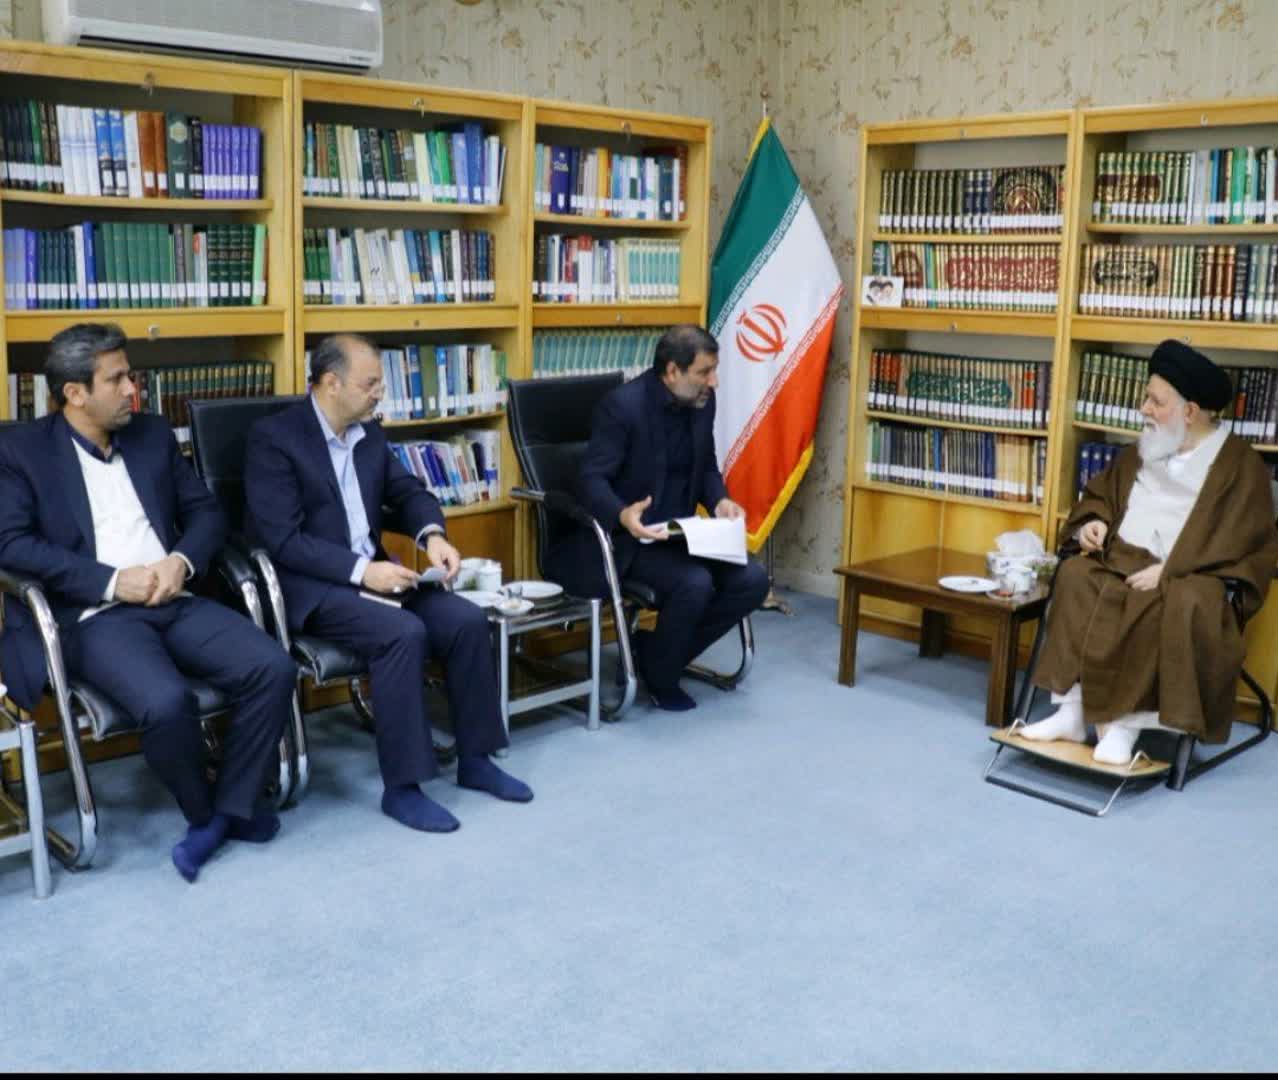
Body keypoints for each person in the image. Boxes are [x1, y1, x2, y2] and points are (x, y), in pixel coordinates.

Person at [0, 323, 296, 883]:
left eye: (130, 376)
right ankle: (204, 812)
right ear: (75, 393)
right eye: (117, 380)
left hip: (174, 595)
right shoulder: (21, 450)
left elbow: (206, 513)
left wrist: (179, 562)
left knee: (273, 667)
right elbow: (11, 544)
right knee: (164, 704)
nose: (132, 389)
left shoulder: (152, 434)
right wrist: (113, 582)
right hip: (95, 614)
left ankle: (226, 810)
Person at [243, 333, 530, 835]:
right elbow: (283, 540)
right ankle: (404, 787)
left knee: (465, 620)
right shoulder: (274, 439)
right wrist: (362, 572)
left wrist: (432, 535)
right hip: (315, 587)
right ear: (331, 383)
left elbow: (408, 492)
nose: (380, 393)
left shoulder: (368, 433)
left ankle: (476, 759)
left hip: (376, 575)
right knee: (403, 634)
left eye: (380, 383)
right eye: (370, 383)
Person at [1021, 339, 1278, 765]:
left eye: (1155, 402)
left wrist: (1172, 570)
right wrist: (1094, 523)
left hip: (1188, 574)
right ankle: (1072, 712)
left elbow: (1244, 543)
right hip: (1119, 559)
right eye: (1146, 398)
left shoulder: (1239, 466)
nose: (1144, 409)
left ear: (1189, 412)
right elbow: (1102, 495)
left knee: (1163, 601)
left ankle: (1123, 727)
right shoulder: (1148, 446)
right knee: (1075, 576)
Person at [547, 324, 770, 711]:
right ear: (671, 371)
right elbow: (592, 480)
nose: (714, 381)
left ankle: (656, 656)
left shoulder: (702, 401)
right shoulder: (623, 407)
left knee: (753, 579)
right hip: (630, 539)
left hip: (684, 534)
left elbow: (706, 466)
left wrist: (719, 501)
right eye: (704, 372)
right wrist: (622, 513)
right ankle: (662, 677)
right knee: (695, 583)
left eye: (714, 370)